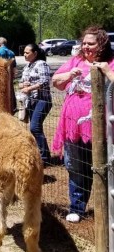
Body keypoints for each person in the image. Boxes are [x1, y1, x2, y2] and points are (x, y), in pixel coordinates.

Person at [52, 26, 114, 223]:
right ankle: (77, 208)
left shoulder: (111, 62)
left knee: (105, 168)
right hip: (74, 127)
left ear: (102, 45)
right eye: (84, 43)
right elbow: (56, 82)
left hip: (102, 128)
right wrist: (70, 74)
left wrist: (106, 71)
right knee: (77, 167)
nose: (86, 46)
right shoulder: (76, 60)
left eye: (91, 43)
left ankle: (108, 211)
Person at [19, 44, 52, 165]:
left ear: (35, 53)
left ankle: (44, 158)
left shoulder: (41, 64)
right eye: (24, 52)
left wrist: (30, 88)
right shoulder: (28, 66)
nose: (25, 55)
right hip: (31, 100)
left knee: (35, 127)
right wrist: (23, 85)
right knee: (35, 128)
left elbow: (45, 81)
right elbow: (21, 82)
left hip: (42, 100)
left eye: (27, 53)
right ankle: (44, 154)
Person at [0, 36, 17, 113]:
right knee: (10, 91)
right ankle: (12, 107)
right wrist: (13, 75)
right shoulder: (12, 52)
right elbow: (14, 66)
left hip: (1, 75)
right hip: (10, 75)